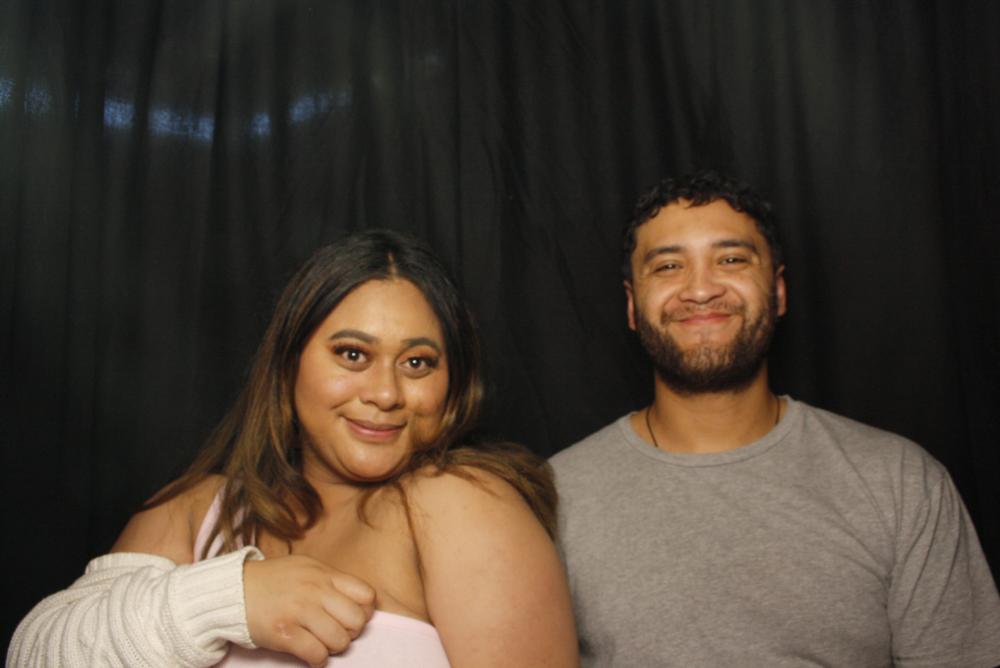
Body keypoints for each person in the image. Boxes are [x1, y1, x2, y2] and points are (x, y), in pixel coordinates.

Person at [9, 230, 578, 667]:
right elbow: (33, 655)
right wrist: (230, 599)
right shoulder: (200, 509)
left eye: (417, 363)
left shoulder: (458, 504)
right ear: (289, 365)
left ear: (452, 384)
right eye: (352, 354)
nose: (385, 393)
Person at [550, 170, 1000, 667]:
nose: (700, 290)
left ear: (778, 291)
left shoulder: (900, 483)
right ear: (633, 305)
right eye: (669, 266)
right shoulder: (556, 496)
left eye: (731, 259)